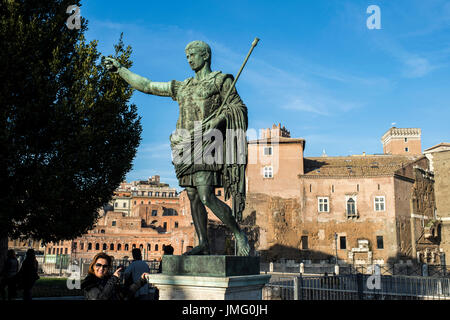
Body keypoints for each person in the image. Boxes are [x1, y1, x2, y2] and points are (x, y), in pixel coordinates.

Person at [104, 40, 250, 256]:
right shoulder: (183, 86)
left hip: (207, 142)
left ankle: (238, 233)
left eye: (193, 55)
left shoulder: (221, 81)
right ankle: (203, 243)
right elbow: (148, 86)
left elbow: (239, 109)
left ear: (205, 56)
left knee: (205, 195)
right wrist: (121, 70)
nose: (189, 59)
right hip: (184, 145)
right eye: (187, 56)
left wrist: (218, 120)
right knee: (192, 195)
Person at [81, 252, 149, 300]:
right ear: (93, 266)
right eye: (98, 265)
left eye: (105, 266)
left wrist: (141, 281)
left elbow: (124, 294)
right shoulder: (88, 282)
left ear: (108, 268)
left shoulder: (107, 280)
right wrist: (113, 279)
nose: (101, 268)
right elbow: (100, 298)